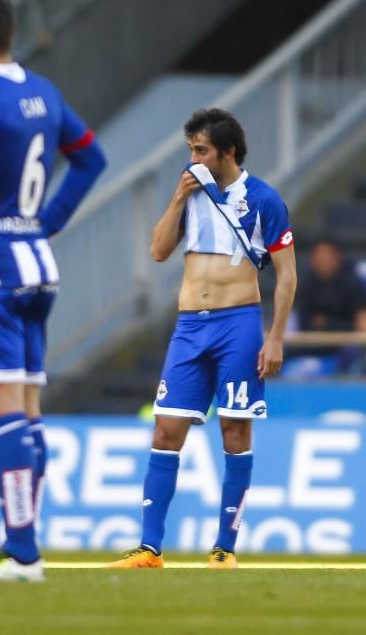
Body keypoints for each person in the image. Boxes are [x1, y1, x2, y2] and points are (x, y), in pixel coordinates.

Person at [0, 0, 107, 582]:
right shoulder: (44, 92)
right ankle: (23, 542)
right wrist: (45, 223)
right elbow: (91, 159)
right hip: (38, 266)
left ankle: (22, 553)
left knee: (1, 412)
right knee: (29, 413)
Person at [107, 108, 297, 569]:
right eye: (191, 149)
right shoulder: (190, 193)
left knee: (234, 429)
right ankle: (150, 548)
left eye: (201, 150)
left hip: (238, 323)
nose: (192, 157)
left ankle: (224, 549)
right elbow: (156, 251)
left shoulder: (263, 199)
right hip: (191, 326)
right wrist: (176, 199)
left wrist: (274, 338)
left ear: (227, 152)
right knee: (165, 429)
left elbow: (288, 275)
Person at [291, 236, 366, 373]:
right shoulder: (305, 284)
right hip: (312, 343)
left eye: (327, 256)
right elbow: (304, 322)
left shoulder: (352, 283)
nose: (323, 261)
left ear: (337, 257)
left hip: (345, 345)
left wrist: (326, 322)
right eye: (318, 256)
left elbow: (358, 321)